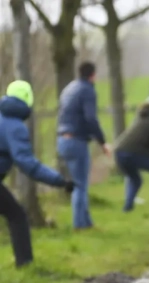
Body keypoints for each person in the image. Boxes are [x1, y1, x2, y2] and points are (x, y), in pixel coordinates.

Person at [0, 81, 74, 267]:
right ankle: (25, 264)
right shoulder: (15, 126)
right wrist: (60, 181)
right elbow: (28, 164)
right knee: (17, 215)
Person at [57, 61, 110, 230]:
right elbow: (91, 119)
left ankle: (86, 221)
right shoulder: (87, 90)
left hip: (62, 140)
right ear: (92, 75)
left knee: (79, 183)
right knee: (80, 185)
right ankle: (79, 224)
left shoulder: (69, 89)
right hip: (77, 141)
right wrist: (102, 142)